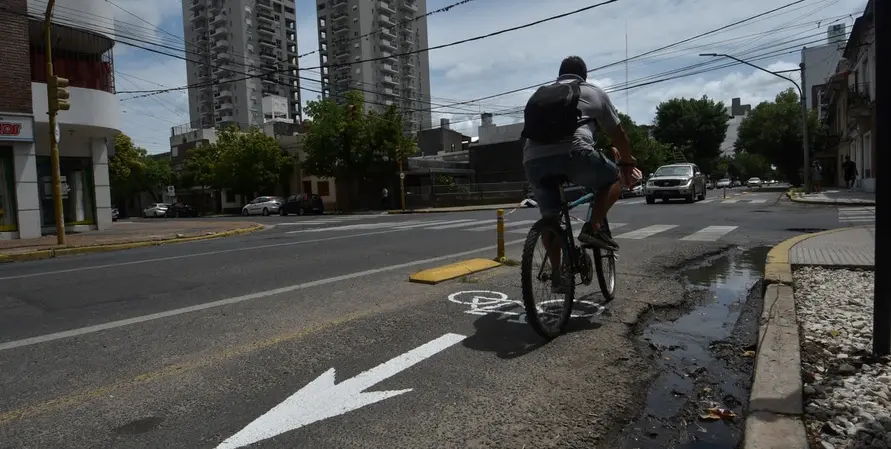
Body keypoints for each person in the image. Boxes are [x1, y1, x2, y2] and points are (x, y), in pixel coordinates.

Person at [521, 56, 638, 291]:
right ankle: (591, 228)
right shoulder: (592, 92)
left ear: (559, 74)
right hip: (575, 154)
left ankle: (558, 276)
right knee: (612, 177)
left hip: (533, 160)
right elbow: (619, 134)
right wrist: (627, 160)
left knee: (550, 219)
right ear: (585, 75)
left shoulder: (539, 95)